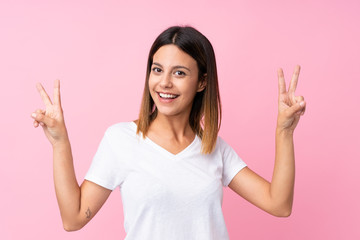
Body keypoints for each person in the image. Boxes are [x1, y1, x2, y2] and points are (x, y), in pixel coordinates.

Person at [31, 26, 306, 239]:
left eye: (179, 73)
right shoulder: (120, 140)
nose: (164, 82)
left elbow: (279, 204)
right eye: (157, 69)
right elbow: (74, 218)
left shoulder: (215, 149)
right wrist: (60, 142)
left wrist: (284, 132)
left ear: (202, 82)